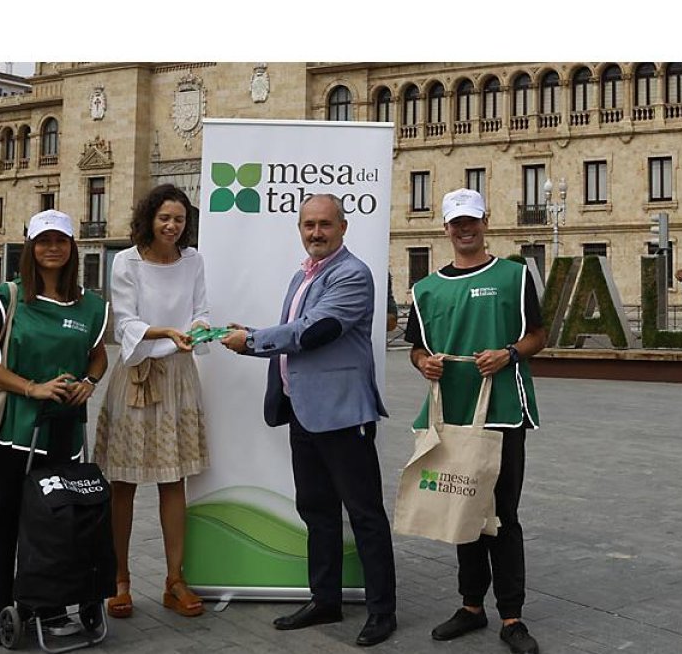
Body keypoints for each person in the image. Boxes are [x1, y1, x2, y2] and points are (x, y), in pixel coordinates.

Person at [220, 194, 397, 647]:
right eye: (308, 225)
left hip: (342, 414)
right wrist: (250, 334)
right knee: (316, 512)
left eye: (324, 224)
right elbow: (297, 330)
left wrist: (253, 340)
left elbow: (317, 331)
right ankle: (325, 600)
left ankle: (382, 612)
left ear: (343, 226)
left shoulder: (353, 274)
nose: (316, 232)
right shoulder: (305, 273)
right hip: (305, 411)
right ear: (300, 228)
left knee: (364, 515)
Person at [405, 188, 544, 654]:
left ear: (486, 221)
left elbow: (539, 336)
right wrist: (423, 363)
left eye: (472, 221)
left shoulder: (514, 275)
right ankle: (470, 606)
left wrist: (508, 354)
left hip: (503, 412)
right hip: (451, 415)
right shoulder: (425, 290)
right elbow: (417, 347)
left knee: (502, 515)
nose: (464, 229)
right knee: (462, 509)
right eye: (456, 223)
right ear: (444, 228)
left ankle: (512, 616)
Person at [0, 210, 109, 647]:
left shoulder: (90, 304)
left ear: (72, 247)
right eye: (44, 240)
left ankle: (49, 608)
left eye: (61, 241)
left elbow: (97, 354)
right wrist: (32, 387)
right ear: (30, 245)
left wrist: (89, 381)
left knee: (56, 524)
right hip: (15, 430)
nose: (53, 248)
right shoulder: (7, 297)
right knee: (5, 519)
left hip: (64, 433)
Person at [94, 184, 211, 621]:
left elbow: (201, 309)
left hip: (179, 374)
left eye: (179, 219)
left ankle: (173, 580)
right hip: (138, 374)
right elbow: (126, 320)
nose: (172, 226)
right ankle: (119, 579)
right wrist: (165, 333)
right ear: (150, 218)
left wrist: (199, 329)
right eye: (165, 218)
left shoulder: (194, 259)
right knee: (122, 482)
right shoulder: (126, 261)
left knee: (172, 479)